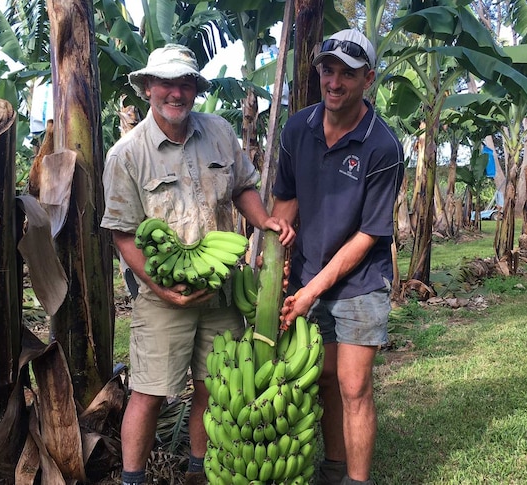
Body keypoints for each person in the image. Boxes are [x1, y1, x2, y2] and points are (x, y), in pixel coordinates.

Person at [101, 44, 293, 485]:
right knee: (149, 394)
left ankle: (199, 471)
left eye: (185, 84)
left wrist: (264, 220)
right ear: (148, 88)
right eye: (166, 83)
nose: (176, 93)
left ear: (194, 90)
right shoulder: (127, 155)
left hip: (222, 290)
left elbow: (243, 185)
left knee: (213, 387)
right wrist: (161, 286)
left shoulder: (220, 132)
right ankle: (133, 478)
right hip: (161, 296)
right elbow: (124, 234)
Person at [271, 29, 404, 485]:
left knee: (353, 386)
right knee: (325, 381)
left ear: (368, 79)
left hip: (359, 281)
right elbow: (285, 201)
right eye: (328, 70)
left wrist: (310, 291)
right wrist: (273, 256)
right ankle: (333, 468)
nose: (335, 82)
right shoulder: (297, 129)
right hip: (307, 273)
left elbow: (369, 234)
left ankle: (357, 480)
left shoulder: (382, 146)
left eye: (348, 74)